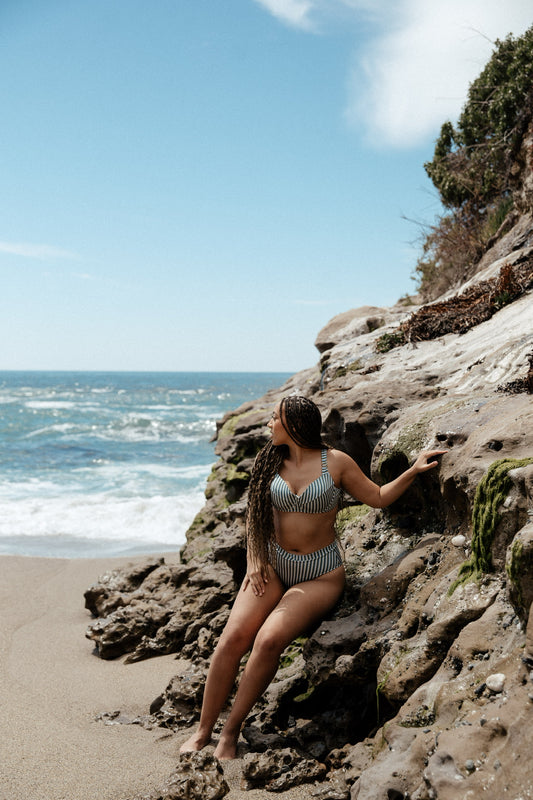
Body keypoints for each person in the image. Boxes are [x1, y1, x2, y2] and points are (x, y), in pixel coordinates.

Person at [180, 395, 445, 759]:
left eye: (274, 419)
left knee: (268, 641)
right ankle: (202, 731)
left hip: (319, 575)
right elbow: (254, 516)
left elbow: (379, 497)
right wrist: (255, 557)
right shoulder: (268, 460)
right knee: (233, 638)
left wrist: (413, 471)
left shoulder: (335, 463)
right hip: (272, 565)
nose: (269, 425)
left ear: (292, 424)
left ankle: (230, 732)